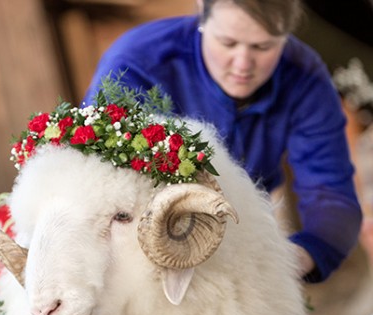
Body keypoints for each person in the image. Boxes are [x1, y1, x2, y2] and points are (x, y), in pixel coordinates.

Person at [83, 0, 363, 283]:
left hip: (247, 230)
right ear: (202, 14)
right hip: (142, 244)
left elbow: (329, 190)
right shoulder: (135, 66)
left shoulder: (304, 76)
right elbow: (105, 186)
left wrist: (301, 256)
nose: (243, 64)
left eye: (263, 47)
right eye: (227, 43)